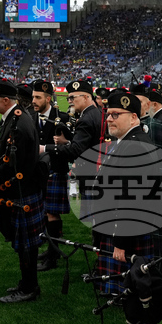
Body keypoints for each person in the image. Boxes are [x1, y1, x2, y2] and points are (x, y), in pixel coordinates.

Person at [100, 91, 160, 324]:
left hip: (131, 231)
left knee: (134, 288)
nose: (110, 119)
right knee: (131, 287)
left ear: (134, 117)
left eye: (117, 114)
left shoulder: (134, 146)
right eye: (108, 114)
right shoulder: (129, 141)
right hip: (131, 228)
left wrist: (120, 241)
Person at [0, 78, 44, 303]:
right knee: (24, 243)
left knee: (26, 244)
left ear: (6, 100)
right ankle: (27, 283)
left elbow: (12, 162)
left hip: (21, 190)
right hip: (23, 188)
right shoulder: (16, 117)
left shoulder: (17, 122)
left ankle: (30, 287)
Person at [42, 79, 105, 279]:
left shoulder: (86, 118)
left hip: (91, 175)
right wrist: (68, 140)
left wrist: (47, 148)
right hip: (98, 174)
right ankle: (101, 264)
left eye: (72, 97)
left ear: (86, 97)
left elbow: (76, 151)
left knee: (97, 225)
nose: (69, 101)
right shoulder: (97, 114)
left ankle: (101, 266)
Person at [32, 79, 72, 273]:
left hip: (55, 169)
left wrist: (61, 143)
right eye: (33, 97)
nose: (34, 101)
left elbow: (72, 145)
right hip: (37, 171)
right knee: (43, 212)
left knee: (52, 213)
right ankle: (51, 250)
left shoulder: (62, 117)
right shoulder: (30, 117)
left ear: (48, 99)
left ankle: (53, 255)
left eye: (38, 97)